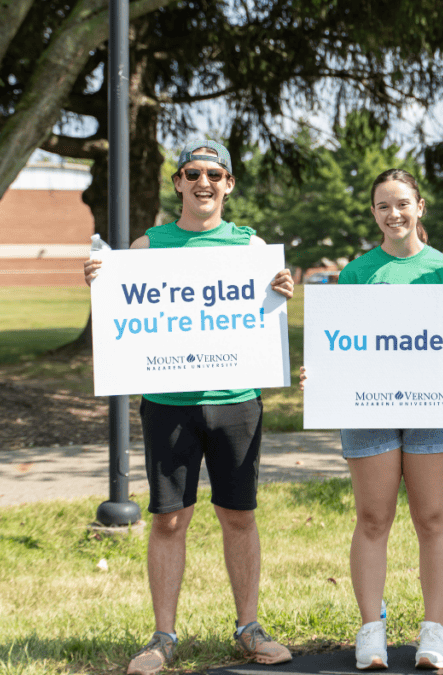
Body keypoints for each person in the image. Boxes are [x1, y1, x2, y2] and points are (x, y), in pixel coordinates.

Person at [84, 140, 295, 675]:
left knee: (239, 515)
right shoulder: (148, 246)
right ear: (177, 182)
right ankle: (163, 637)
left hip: (236, 402)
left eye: (215, 174)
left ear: (228, 184)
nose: (204, 182)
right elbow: (120, 307)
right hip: (168, 402)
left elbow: (268, 311)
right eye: (193, 173)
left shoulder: (251, 245)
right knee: (169, 520)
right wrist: (100, 283)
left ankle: (249, 628)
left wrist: (281, 289)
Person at [300, 168, 443, 671]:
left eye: (403, 204)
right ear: (373, 213)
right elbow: (341, 343)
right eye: (383, 206)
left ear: (420, 206)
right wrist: (319, 373)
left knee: (432, 518)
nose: (394, 214)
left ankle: (435, 630)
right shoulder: (355, 273)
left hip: (436, 407)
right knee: (373, 518)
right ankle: (372, 630)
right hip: (368, 407)